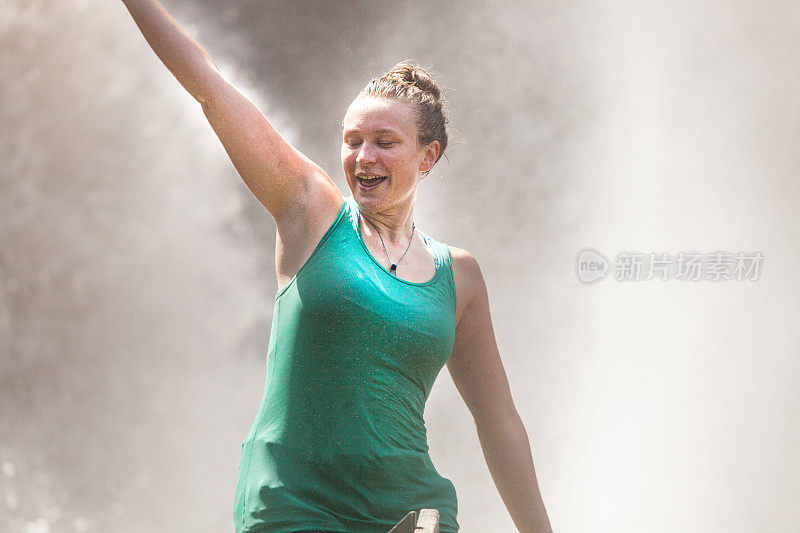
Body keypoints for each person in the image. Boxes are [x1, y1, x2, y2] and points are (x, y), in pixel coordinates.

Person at [120, 1, 553, 532]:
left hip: (408, 511)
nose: (363, 157)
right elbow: (209, 87)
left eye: (385, 142)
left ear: (428, 156)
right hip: (292, 506)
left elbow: (498, 419)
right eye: (352, 141)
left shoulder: (458, 276)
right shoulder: (311, 213)